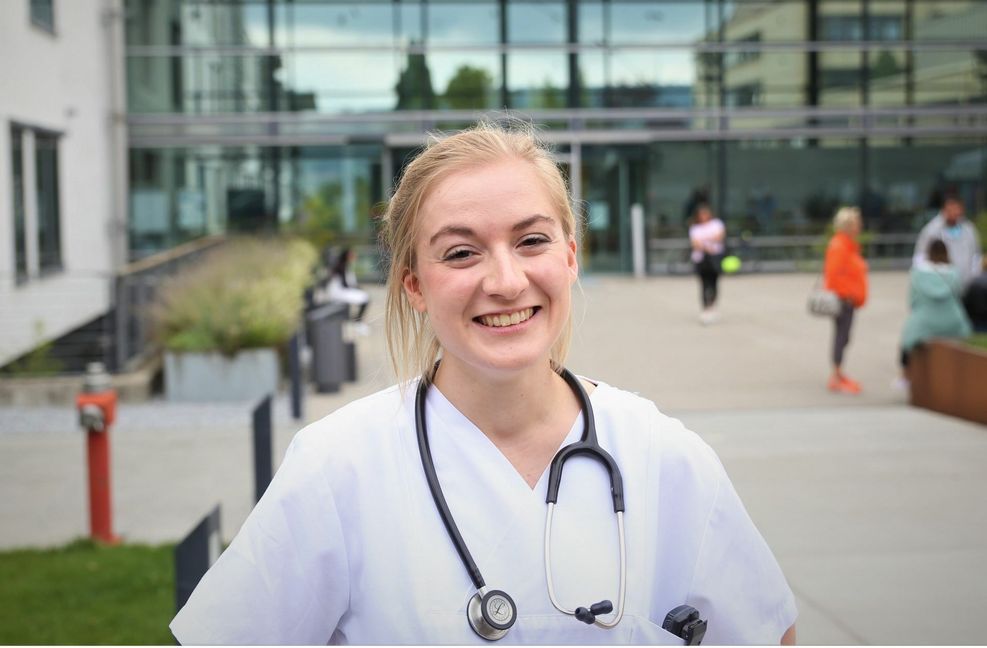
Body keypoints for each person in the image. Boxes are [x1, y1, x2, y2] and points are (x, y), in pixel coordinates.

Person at [169, 122, 797, 645]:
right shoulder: (338, 467)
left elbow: (769, 633)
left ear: (570, 256)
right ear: (414, 284)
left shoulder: (665, 457)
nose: (505, 280)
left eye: (531, 241)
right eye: (461, 253)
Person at [899, 240, 972, 380]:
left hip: (924, 322)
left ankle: (905, 376)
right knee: (967, 335)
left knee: (906, 340)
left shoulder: (918, 274)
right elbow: (959, 295)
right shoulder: (954, 273)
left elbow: (912, 302)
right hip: (953, 322)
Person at [823, 206, 868, 394]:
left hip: (850, 299)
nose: (860, 226)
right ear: (848, 225)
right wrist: (848, 294)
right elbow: (833, 276)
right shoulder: (840, 246)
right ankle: (836, 374)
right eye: (857, 223)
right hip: (844, 299)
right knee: (842, 336)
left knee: (844, 336)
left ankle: (838, 372)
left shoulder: (848, 245)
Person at [912, 194, 983, 290]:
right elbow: (920, 258)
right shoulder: (931, 230)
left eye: (957, 209)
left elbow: (976, 257)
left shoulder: (969, 229)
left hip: (966, 284)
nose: (954, 212)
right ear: (944, 210)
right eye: (951, 209)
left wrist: (974, 278)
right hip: (939, 285)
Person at [688, 203, 726, 325]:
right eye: (701, 214)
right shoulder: (695, 228)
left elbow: (719, 237)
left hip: (715, 258)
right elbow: (695, 243)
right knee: (704, 283)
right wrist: (707, 245)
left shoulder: (716, 224)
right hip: (701, 259)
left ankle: (711, 305)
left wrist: (704, 242)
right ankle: (705, 308)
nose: (703, 216)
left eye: (705, 213)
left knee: (714, 282)